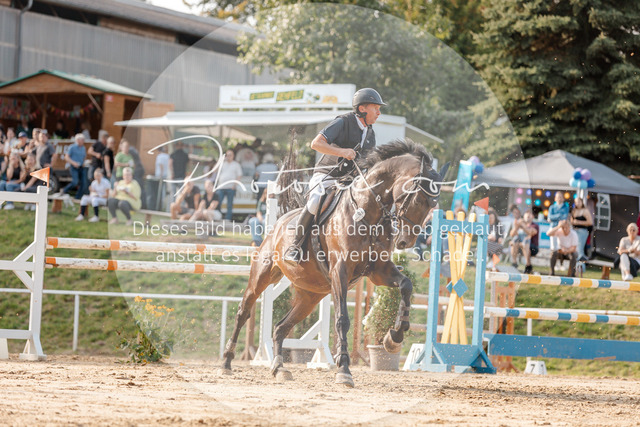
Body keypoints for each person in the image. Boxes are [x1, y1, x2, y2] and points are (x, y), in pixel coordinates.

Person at [283, 88, 385, 264]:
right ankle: (295, 246)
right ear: (362, 109)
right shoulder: (342, 122)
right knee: (315, 201)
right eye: (375, 108)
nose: (379, 112)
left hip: (350, 181)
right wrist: (342, 152)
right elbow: (316, 144)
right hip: (327, 175)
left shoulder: (370, 133)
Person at [215, 149, 243, 221]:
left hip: (231, 187)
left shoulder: (236, 165)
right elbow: (214, 170)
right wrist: (220, 161)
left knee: (229, 204)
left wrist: (234, 185)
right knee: (218, 202)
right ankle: (218, 217)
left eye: (230, 155)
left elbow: (239, 175)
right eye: (227, 155)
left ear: (233, 156)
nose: (228, 156)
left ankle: (228, 218)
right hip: (221, 187)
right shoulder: (222, 164)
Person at [59, 134, 87, 200]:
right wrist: (73, 163)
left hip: (81, 167)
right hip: (73, 167)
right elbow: (66, 157)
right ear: (78, 140)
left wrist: (84, 162)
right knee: (75, 182)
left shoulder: (83, 148)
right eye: (82, 140)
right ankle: (64, 190)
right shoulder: (72, 147)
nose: (83, 141)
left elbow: (84, 157)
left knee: (83, 183)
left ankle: (77, 197)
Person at [570, 196, 593, 262]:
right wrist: (573, 222)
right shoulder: (574, 211)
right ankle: (576, 261)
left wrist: (579, 222)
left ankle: (581, 262)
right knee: (575, 247)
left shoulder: (585, 211)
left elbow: (590, 222)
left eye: (579, 202)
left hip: (582, 231)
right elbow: (571, 220)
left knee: (580, 248)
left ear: (582, 202)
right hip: (574, 231)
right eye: (576, 202)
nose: (577, 203)